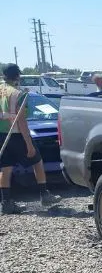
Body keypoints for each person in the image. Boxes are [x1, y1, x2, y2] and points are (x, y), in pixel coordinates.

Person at [0, 64, 62, 214]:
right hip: (16, 134)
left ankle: (6, 202)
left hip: (1, 135)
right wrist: (29, 144)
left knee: (5, 168)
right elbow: (21, 120)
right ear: (17, 76)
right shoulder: (18, 93)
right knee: (37, 161)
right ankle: (44, 194)